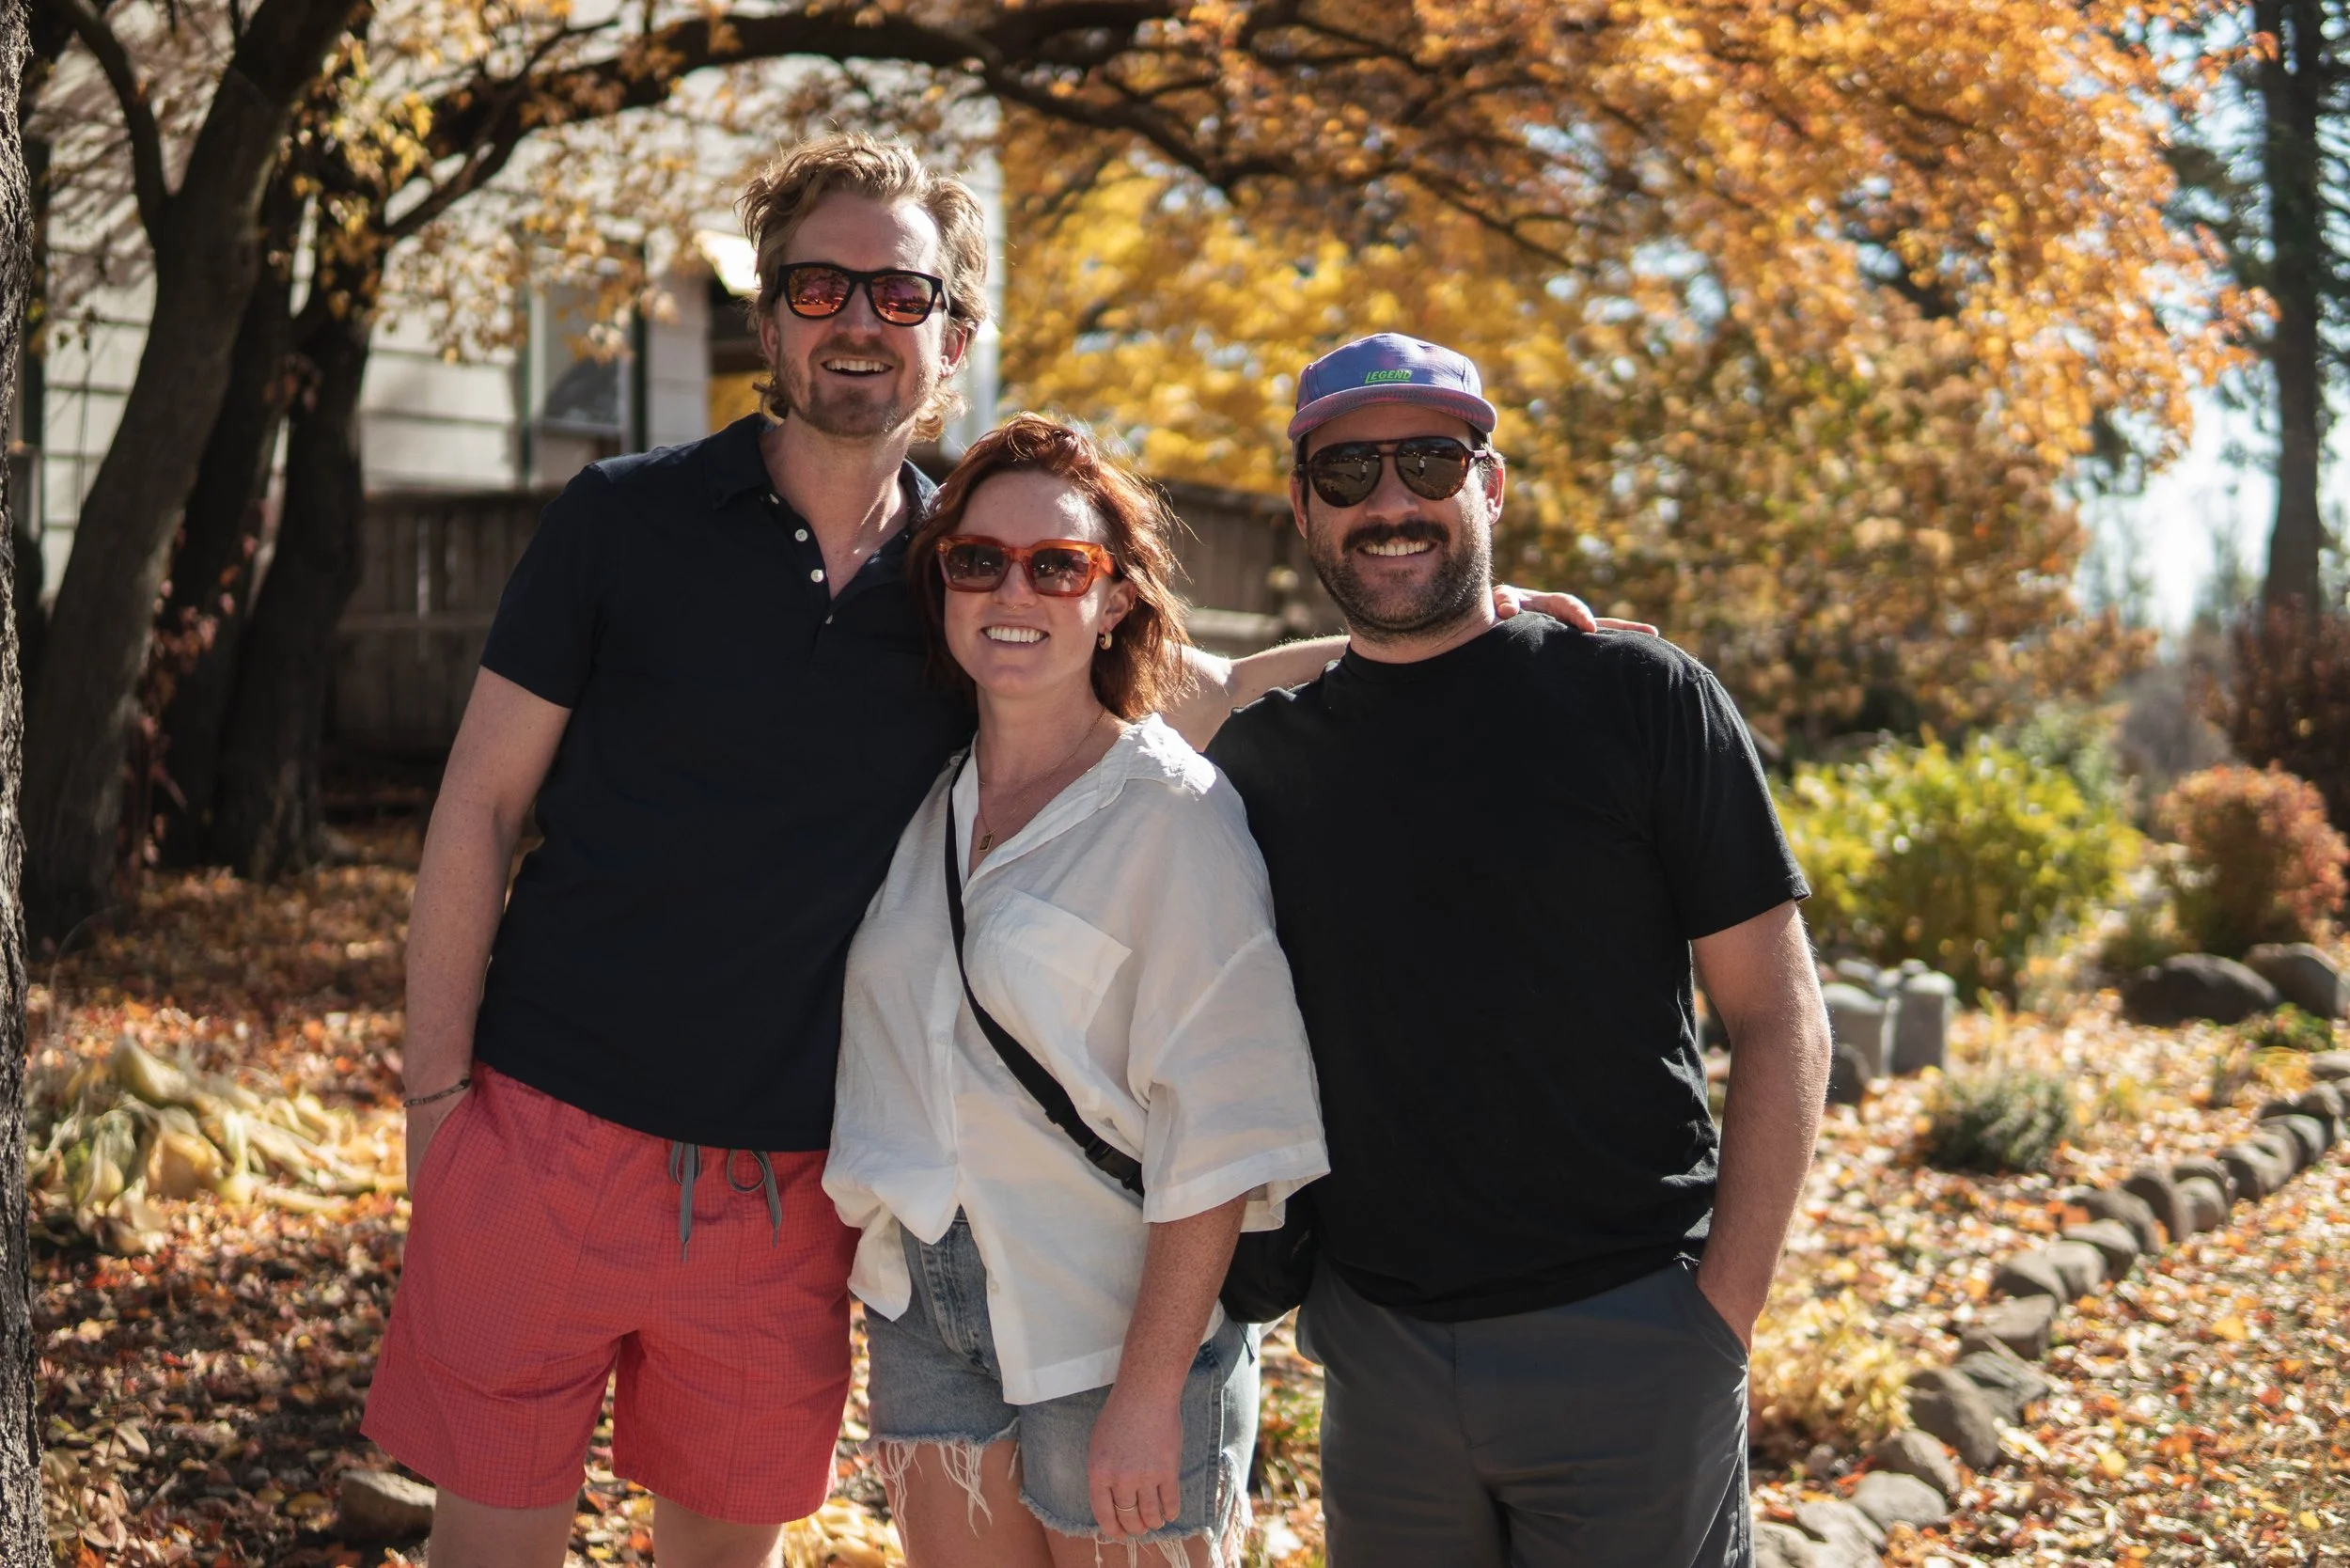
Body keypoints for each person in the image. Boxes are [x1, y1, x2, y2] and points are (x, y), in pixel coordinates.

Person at [363, 135, 1606, 1568]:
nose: (858, 321)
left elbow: (1189, 688)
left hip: (786, 1192)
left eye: (901, 294)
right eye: (820, 287)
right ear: (767, 317)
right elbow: (476, 807)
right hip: (543, 1132)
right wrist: (436, 1105)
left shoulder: (958, 569)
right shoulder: (622, 521)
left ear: (952, 340)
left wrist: (1461, 628)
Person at [1206, 333, 1833, 1568]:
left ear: (1489, 486)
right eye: (1348, 474)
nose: (1391, 500)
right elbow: (1113, 698)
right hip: (1379, 1359)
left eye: (1431, 463)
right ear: (1303, 508)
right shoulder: (1264, 755)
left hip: (1631, 1337)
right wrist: (1366, 650)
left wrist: (1719, 1318)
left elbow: (1778, 1015)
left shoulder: (1640, 696)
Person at [824, 415, 1326, 1568]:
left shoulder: (1172, 816)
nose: (1014, 590)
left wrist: (1149, 1394)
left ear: (1113, 601)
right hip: (923, 1314)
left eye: (1057, 565)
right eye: (978, 560)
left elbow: (1225, 1124)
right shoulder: (922, 794)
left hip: (1116, 1328)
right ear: (942, 585)